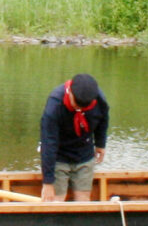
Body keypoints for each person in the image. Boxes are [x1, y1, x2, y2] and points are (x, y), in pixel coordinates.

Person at [39, 73, 109, 201]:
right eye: (76, 105)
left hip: (84, 155)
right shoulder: (54, 106)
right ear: (70, 91)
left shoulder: (98, 98)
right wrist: (48, 182)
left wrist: (100, 144)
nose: (79, 109)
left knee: (83, 202)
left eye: (84, 107)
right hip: (59, 157)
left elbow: (103, 119)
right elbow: (48, 144)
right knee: (55, 202)